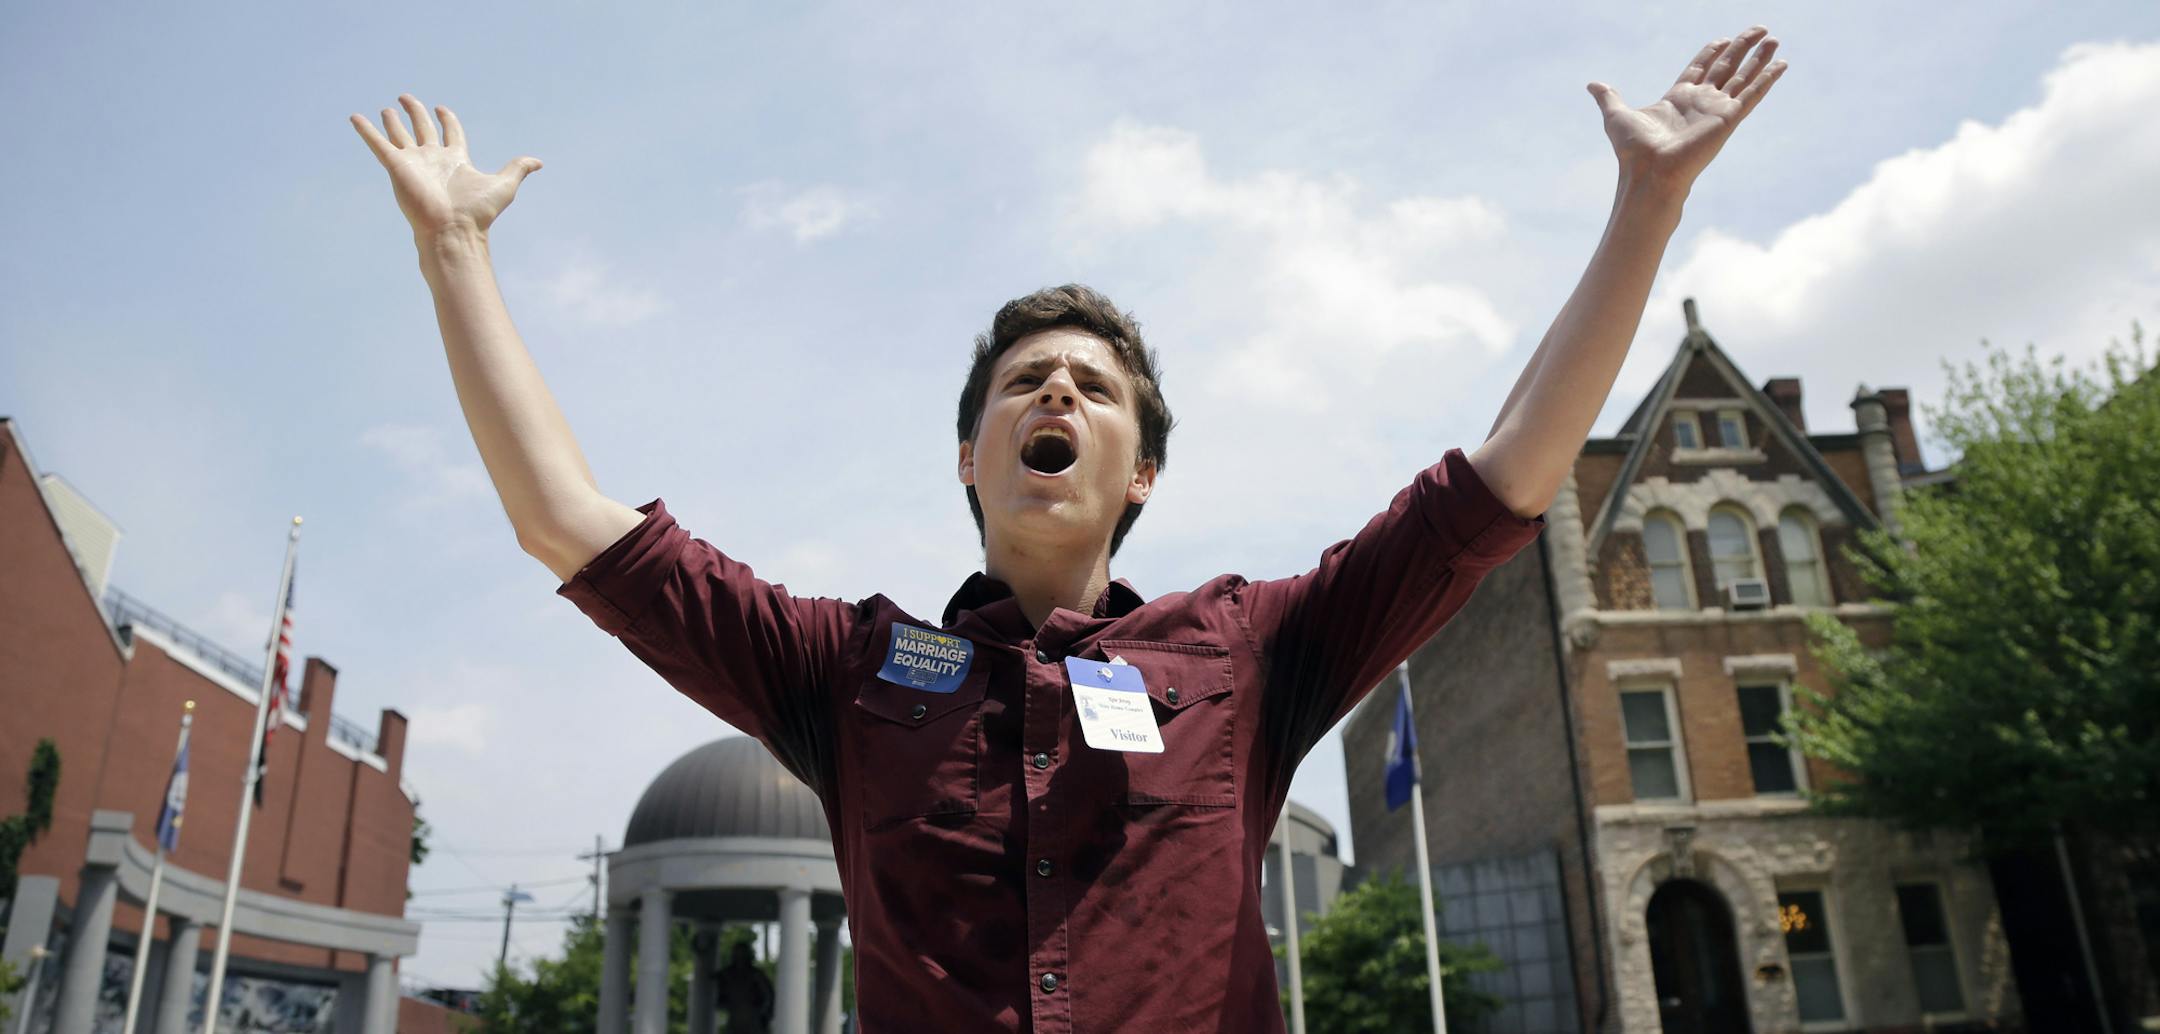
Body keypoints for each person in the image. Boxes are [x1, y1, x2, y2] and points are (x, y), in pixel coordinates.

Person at [353, 26, 1784, 1032]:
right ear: (971, 457)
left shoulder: (1248, 650)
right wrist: (452, 251)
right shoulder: (843, 670)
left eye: (1092, 386)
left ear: (1140, 470)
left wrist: (1646, 206)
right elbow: (570, 524)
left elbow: (1500, 483)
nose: (1055, 388)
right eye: (1021, 381)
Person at [713, 942, 776, 1034]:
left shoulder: (756, 975)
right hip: (735, 1018)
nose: (740, 957)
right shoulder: (728, 974)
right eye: (737, 954)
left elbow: (768, 995)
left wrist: (763, 1012)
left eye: (742, 954)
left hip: (752, 1017)